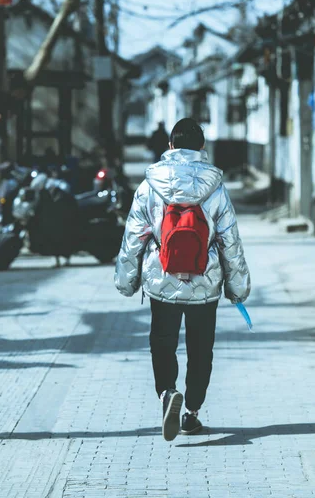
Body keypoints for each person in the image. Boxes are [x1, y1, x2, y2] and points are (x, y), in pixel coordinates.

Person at [114, 118, 251, 441]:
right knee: (201, 348)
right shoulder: (216, 186)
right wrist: (238, 287)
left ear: (170, 146)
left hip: (162, 278)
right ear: (202, 148)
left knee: (162, 343)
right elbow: (229, 241)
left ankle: (166, 394)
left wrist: (127, 280)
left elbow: (134, 236)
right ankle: (191, 412)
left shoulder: (150, 185)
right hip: (206, 279)